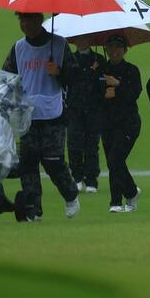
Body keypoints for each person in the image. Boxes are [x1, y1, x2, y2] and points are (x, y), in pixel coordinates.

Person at [1, 11, 80, 220]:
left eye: (29, 20)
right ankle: (33, 208)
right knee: (28, 164)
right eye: (22, 20)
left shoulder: (59, 45)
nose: (25, 24)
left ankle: (71, 194)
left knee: (53, 161)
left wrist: (59, 72)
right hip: (27, 115)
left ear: (39, 20)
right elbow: (8, 78)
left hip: (54, 113)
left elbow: (74, 78)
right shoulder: (18, 48)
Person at [100, 34, 143, 212]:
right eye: (110, 46)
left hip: (128, 123)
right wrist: (103, 94)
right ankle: (130, 193)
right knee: (113, 162)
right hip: (107, 123)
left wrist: (118, 85)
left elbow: (134, 94)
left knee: (115, 159)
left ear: (125, 50)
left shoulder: (132, 70)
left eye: (118, 47)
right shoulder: (101, 70)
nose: (114, 50)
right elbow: (92, 96)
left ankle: (116, 202)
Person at [66, 35, 105, 194]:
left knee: (91, 144)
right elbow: (68, 79)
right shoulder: (69, 59)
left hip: (94, 108)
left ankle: (91, 179)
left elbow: (101, 83)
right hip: (74, 107)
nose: (82, 42)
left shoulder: (99, 59)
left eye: (85, 38)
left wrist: (95, 71)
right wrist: (90, 71)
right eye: (79, 39)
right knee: (74, 143)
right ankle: (76, 177)